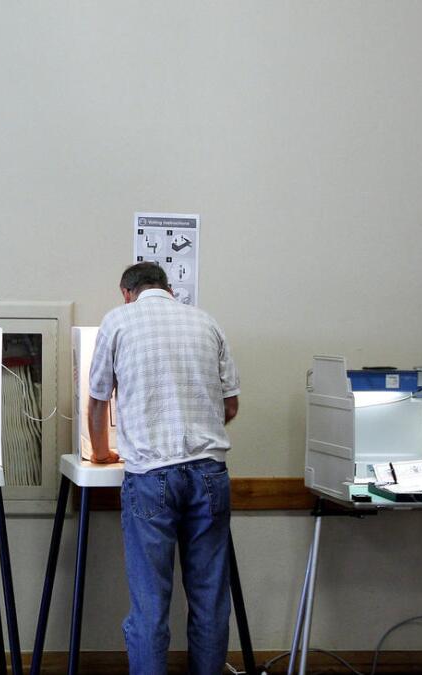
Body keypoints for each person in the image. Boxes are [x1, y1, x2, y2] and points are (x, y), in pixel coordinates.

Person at [87, 262, 240, 675]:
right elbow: (230, 405)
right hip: (209, 473)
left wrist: (101, 453)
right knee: (210, 598)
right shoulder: (206, 322)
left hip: (150, 475)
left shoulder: (117, 321)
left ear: (126, 293)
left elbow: (99, 400)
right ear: (168, 288)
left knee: (150, 604)